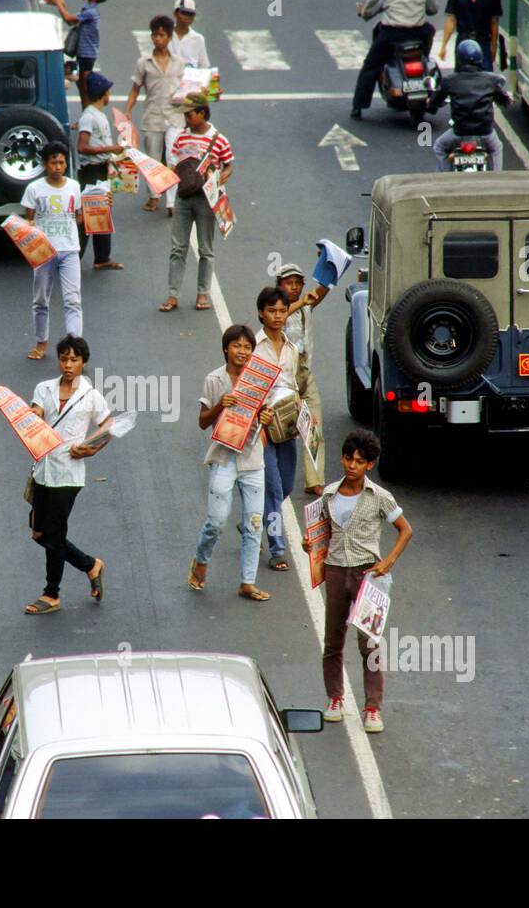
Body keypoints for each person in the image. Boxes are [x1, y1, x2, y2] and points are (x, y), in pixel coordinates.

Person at [301, 431, 413, 732]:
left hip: (367, 574)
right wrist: (308, 543)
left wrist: (387, 562)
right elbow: (321, 532)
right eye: (349, 459)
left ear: (370, 465)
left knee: (369, 643)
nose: (352, 465)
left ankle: (373, 708)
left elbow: (405, 530)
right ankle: (335, 698)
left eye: (359, 461)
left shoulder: (380, 497)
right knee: (333, 641)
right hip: (336, 572)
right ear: (342, 458)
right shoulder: (328, 495)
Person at [25, 334, 110, 615]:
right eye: (64, 359)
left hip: (68, 476)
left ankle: (52, 593)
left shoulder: (91, 396)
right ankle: (90, 565)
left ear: (83, 362)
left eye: (74, 359)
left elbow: (108, 426)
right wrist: (31, 416)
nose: (68, 365)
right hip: (42, 470)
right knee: (40, 533)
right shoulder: (44, 388)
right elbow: (36, 411)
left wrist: (89, 449)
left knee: (55, 533)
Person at [192, 324, 276, 601]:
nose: (242, 351)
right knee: (216, 520)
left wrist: (266, 418)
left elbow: (267, 414)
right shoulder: (214, 380)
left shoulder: (260, 382)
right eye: (237, 346)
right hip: (224, 458)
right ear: (226, 348)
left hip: (252, 460)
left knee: (253, 524)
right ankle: (201, 559)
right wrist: (221, 406)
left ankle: (247, 582)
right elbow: (203, 422)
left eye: (247, 347)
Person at [158, 94, 233, 313]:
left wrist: (221, 178)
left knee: (205, 249)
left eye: (190, 114)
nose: (186, 118)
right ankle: (173, 295)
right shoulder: (181, 138)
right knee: (177, 248)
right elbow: (173, 164)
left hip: (206, 199)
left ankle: (203, 293)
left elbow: (229, 164)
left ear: (202, 113)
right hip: (183, 196)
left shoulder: (219, 139)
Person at [21, 141, 83, 361]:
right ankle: (41, 343)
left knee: (73, 300)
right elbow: (29, 219)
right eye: (54, 162)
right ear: (45, 164)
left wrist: (101, 206)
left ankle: (74, 349)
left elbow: (78, 217)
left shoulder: (74, 186)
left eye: (62, 162)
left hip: (70, 250)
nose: (58, 166)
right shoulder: (34, 189)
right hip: (44, 253)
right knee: (40, 300)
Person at [254, 286, 300, 572]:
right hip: (264, 427)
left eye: (282, 310)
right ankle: (277, 549)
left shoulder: (292, 347)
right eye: (272, 311)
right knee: (272, 489)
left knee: (286, 485)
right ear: (262, 313)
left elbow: (294, 383)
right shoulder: (254, 346)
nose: (278, 316)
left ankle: (254, 516)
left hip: (289, 426)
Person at [351, 0, 438, 120]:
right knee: (429, 34)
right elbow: (432, 9)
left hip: (392, 34)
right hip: (419, 33)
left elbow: (370, 10)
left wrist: (362, 12)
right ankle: (424, 60)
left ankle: (358, 106)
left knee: (371, 66)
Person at [124, 14, 186, 214]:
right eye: (154, 35)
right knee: (151, 161)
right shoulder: (144, 63)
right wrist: (127, 111)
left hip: (175, 117)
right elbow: (135, 88)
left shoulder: (179, 63)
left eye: (161, 35)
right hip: (152, 118)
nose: (157, 39)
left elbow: (187, 88)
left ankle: (171, 202)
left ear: (169, 38)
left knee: (172, 158)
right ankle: (154, 196)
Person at [279, 264, 326, 496]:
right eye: (289, 282)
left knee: (314, 428)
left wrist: (331, 272)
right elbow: (280, 318)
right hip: (286, 379)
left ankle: (314, 481)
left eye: (298, 282)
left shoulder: (306, 307)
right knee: (282, 431)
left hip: (306, 374)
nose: (295, 287)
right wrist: (303, 302)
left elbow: (321, 292)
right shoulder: (277, 308)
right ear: (279, 286)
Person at [429, 39, 511, 171]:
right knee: (496, 148)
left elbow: (434, 103)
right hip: (485, 134)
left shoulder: (449, 80)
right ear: (480, 58)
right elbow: (504, 101)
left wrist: (430, 106)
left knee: (439, 147)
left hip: (459, 133)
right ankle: (496, 182)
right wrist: (507, 101)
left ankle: (442, 183)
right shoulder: (491, 80)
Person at [76, 71, 124, 270]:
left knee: (102, 212)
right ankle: (72, 257)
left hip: (102, 169)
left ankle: (102, 257)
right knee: (88, 214)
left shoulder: (98, 115)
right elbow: (82, 147)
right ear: (104, 94)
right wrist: (111, 148)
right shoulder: (89, 116)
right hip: (91, 171)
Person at [45, 0, 112, 108]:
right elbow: (70, 20)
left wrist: (58, 2)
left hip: (87, 54)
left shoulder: (90, 13)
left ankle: (88, 113)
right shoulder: (87, 9)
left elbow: (68, 19)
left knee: (85, 87)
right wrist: (59, 0)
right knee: (82, 85)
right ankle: (84, 115)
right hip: (83, 53)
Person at [438, 0, 503, 69]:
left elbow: (494, 23)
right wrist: (443, 46)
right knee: (462, 76)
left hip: (483, 42)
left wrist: (493, 46)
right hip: (463, 42)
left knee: (486, 76)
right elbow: (451, 20)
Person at [170, 0, 210, 68]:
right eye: (184, 13)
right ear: (175, 13)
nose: (187, 17)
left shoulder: (198, 39)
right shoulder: (164, 35)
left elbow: (204, 67)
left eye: (190, 14)